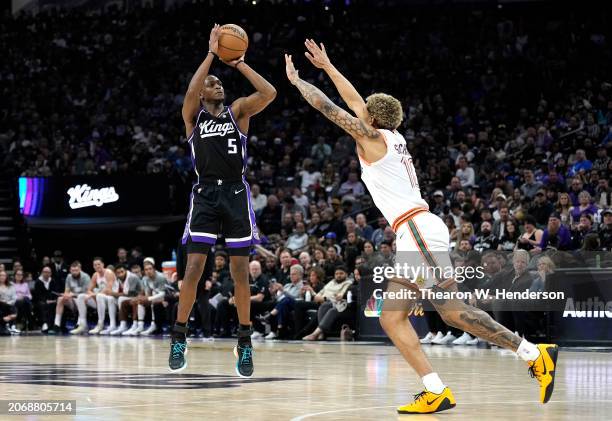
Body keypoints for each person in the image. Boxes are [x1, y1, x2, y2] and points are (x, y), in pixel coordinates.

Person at [285, 41, 557, 414]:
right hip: (416, 229)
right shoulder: (394, 138)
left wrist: (299, 81)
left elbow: (329, 107)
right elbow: (354, 101)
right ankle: (436, 390)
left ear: (372, 120)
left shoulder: (374, 139)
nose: (359, 112)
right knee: (392, 316)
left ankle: (533, 354)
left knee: (450, 309)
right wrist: (329, 67)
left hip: (417, 230)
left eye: (364, 112)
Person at [170, 24, 276, 376]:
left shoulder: (238, 112)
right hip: (204, 194)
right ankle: (179, 337)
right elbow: (189, 88)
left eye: (220, 83)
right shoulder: (193, 117)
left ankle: (244, 342)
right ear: (202, 93)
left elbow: (270, 92)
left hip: (234, 192)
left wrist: (240, 63)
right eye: (212, 83)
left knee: (240, 272)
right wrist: (212, 54)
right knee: (194, 269)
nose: (219, 85)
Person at [70, 257, 115, 335]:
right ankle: (83, 325)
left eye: (99, 264)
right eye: (95, 265)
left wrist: (93, 294)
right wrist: (91, 295)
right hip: (99, 299)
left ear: (103, 264)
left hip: (111, 300)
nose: (97, 266)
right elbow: (89, 290)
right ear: (93, 267)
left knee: (99, 296)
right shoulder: (95, 275)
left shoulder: (109, 273)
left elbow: (108, 290)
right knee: (81, 296)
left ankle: (100, 324)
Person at [52, 261, 91, 334]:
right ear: (70, 270)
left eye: (76, 270)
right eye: (72, 270)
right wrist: (65, 295)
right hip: (72, 300)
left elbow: (87, 293)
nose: (74, 272)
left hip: (83, 300)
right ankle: (56, 325)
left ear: (80, 269)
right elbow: (67, 291)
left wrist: (72, 294)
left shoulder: (86, 277)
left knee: (81, 298)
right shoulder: (69, 277)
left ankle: (79, 324)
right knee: (60, 299)